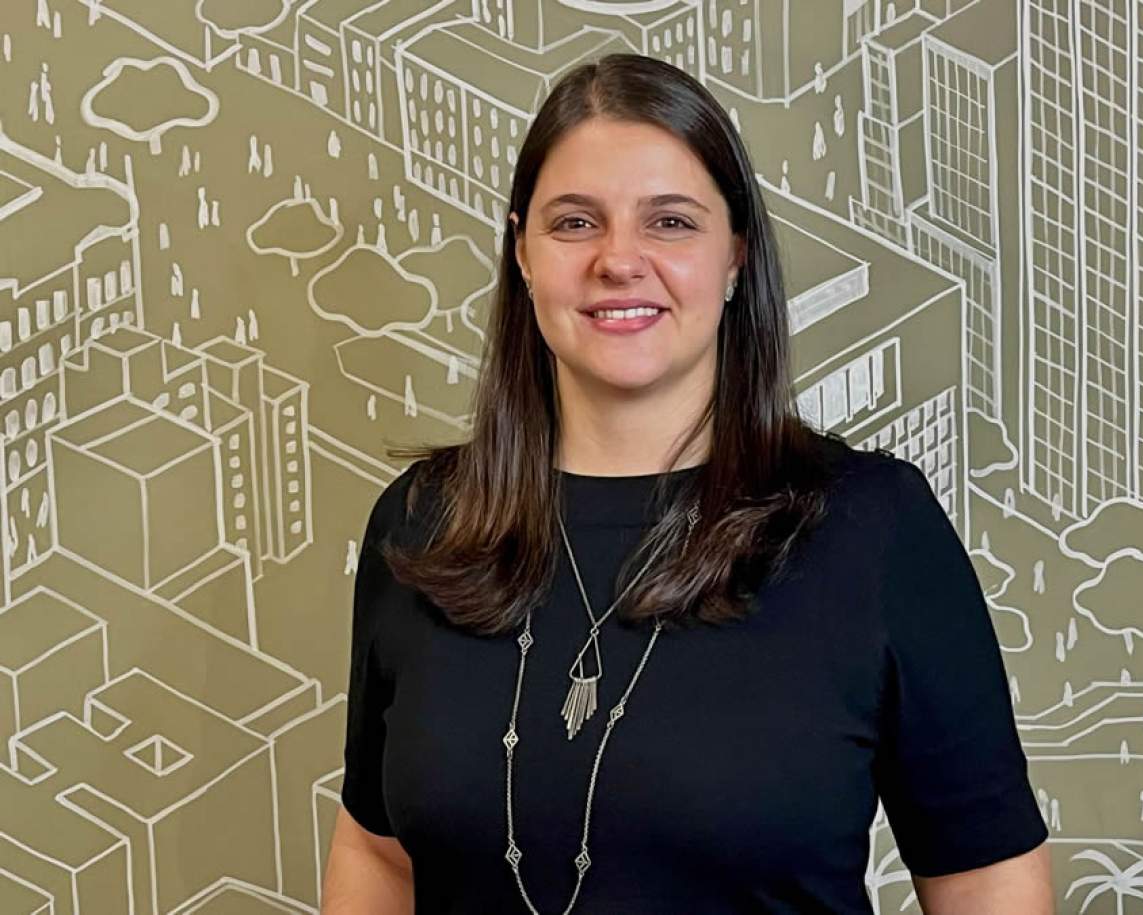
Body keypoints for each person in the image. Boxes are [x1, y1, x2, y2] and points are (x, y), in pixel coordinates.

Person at [320, 53, 1052, 914]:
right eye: (575, 222)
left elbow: (986, 876)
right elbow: (377, 852)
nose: (619, 260)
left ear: (735, 255)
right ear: (522, 252)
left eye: (670, 222)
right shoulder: (420, 524)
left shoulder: (873, 527)